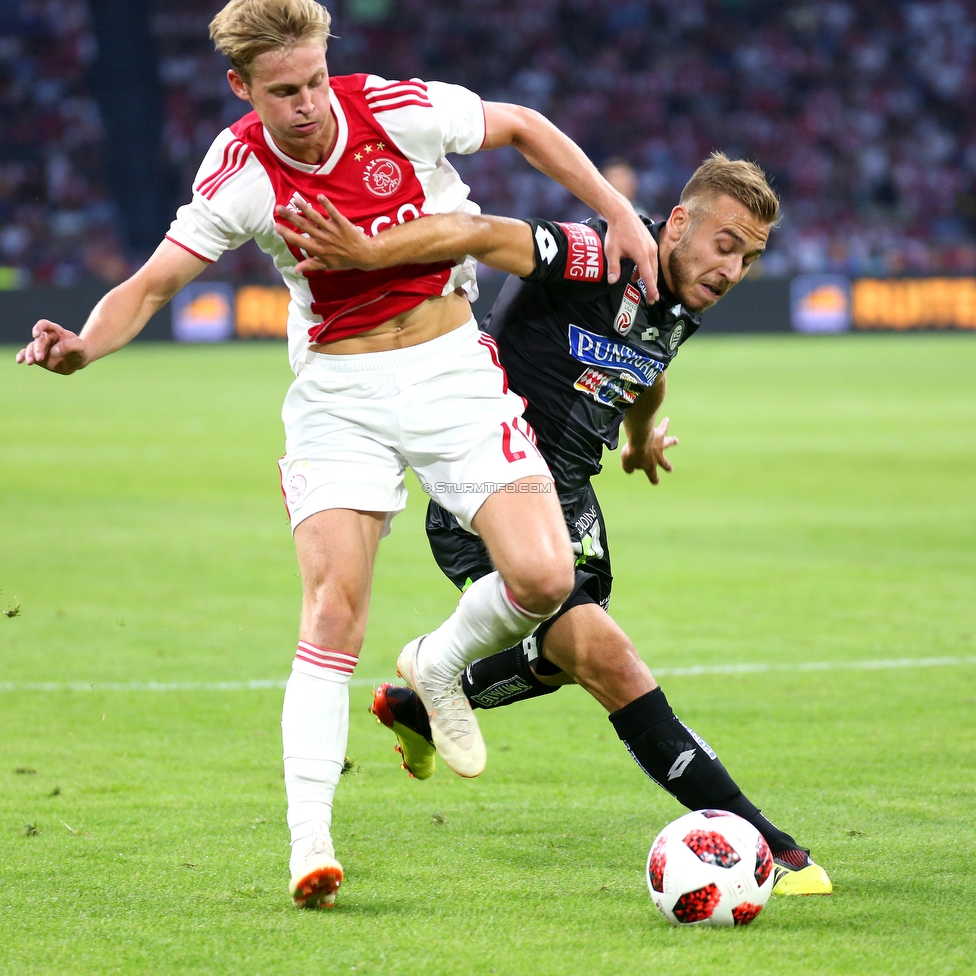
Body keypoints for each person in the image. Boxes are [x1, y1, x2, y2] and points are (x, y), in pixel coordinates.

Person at [15, 0, 662, 910]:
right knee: (332, 612)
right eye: (285, 91)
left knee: (549, 577)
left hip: (450, 373)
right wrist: (84, 343)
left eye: (316, 79)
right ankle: (310, 847)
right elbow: (155, 281)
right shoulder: (240, 170)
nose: (310, 103)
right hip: (339, 397)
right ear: (242, 88)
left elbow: (521, 125)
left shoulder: (394, 110)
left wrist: (618, 214)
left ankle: (436, 663)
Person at [275, 152, 833, 896]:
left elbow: (650, 362)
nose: (732, 270)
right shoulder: (595, 255)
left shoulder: (679, 305)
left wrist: (639, 437)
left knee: (557, 659)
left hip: (569, 500)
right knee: (608, 659)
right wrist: (368, 250)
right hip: (487, 489)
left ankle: (423, 699)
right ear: (678, 226)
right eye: (724, 246)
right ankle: (763, 842)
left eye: (750, 258)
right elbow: (477, 233)